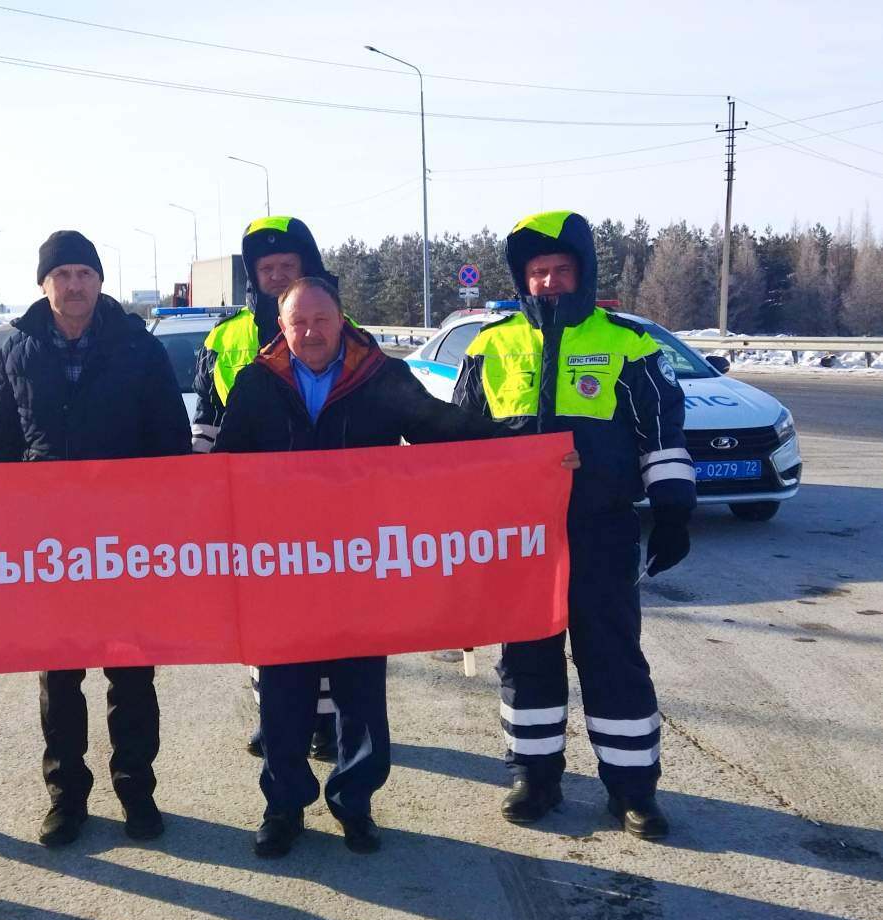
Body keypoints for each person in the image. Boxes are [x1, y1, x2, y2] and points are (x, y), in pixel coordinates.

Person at [215, 276, 565, 857]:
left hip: (360, 567)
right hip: (281, 568)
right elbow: (224, 468)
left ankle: (355, 803)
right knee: (282, 696)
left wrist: (534, 453)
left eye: (321, 319)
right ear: (282, 326)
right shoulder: (256, 384)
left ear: (341, 317)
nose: (311, 332)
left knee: (360, 695)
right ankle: (283, 807)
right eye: (298, 322)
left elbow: (449, 432)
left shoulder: (380, 378)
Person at [452, 210, 696, 840]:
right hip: (518, 540)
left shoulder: (629, 344)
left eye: (561, 270)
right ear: (522, 278)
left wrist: (672, 509)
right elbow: (460, 445)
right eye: (538, 272)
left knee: (612, 658)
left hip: (599, 530)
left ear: (583, 274)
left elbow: (662, 435)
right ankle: (535, 778)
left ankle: (633, 791)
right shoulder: (490, 345)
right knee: (527, 659)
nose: (550, 282)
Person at [0, 230, 191, 847]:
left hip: (125, 543)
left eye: (84, 274)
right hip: (50, 549)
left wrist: (160, 524)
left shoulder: (135, 347)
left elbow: (169, 444)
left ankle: (137, 791)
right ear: (44, 284)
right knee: (59, 677)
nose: (74, 285)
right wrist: (6, 525)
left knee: (131, 674)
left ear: (100, 282)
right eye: (63, 274)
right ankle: (67, 798)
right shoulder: (17, 350)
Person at [192, 215, 342, 761]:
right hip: (256, 510)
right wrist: (205, 492)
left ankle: (326, 723)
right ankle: (275, 717)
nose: (278, 275)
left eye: (288, 266)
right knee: (264, 623)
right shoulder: (223, 338)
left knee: (327, 618)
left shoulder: (336, 326)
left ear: (308, 269)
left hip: (331, 510)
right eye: (267, 268)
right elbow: (207, 422)